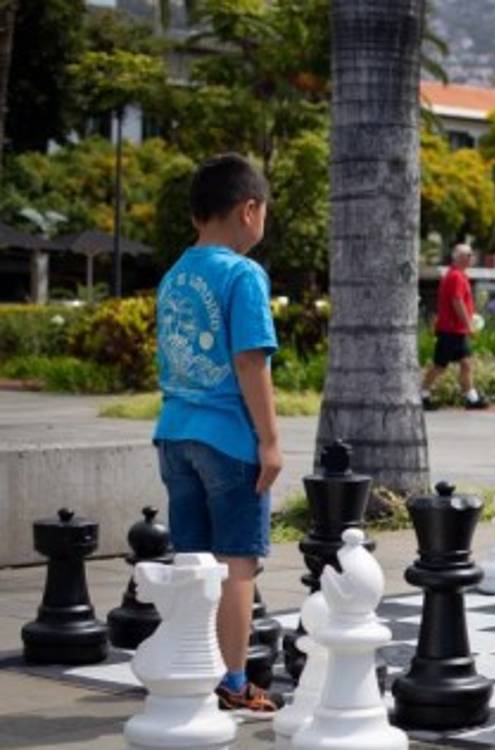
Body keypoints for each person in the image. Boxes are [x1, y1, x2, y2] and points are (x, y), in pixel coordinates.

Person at [153, 153, 281, 714]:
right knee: (236, 567)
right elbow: (251, 362)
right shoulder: (242, 274)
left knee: (194, 565)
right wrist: (271, 442)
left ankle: (190, 666)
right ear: (249, 210)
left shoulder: (174, 275)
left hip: (174, 435)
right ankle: (232, 682)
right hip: (228, 439)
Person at [421, 243, 489, 410]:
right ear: (459, 257)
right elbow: (457, 301)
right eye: (468, 255)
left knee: (465, 363)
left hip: (455, 330)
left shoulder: (458, 275)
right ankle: (422, 395)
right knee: (439, 366)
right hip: (450, 330)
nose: (471, 258)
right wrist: (469, 325)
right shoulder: (456, 276)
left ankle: (471, 398)